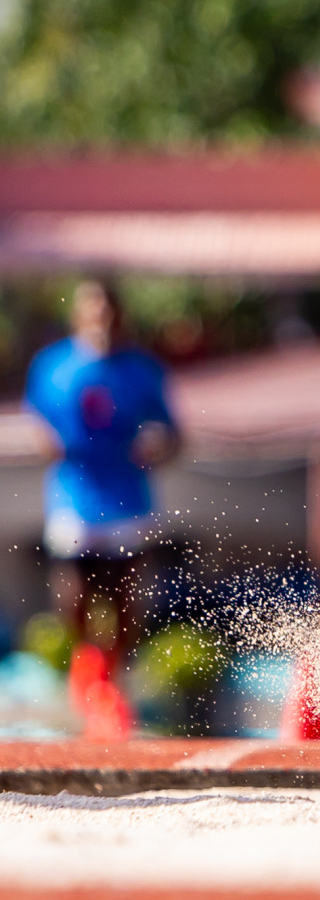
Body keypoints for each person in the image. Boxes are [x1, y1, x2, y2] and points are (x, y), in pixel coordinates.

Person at [25, 280, 179, 701]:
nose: (101, 318)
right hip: (75, 493)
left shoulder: (141, 369)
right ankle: (85, 662)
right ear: (78, 314)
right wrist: (48, 442)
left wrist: (158, 445)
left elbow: (172, 430)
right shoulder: (53, 365)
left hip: (128, 495)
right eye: (92, 309)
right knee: (73, 588)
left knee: (126, 592)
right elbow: (37, 418)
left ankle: (117, 674)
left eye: (108, 309)